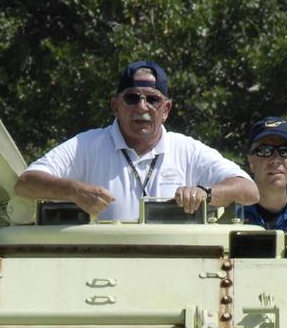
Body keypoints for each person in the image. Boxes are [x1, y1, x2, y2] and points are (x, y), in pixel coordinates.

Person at [14, 61, 258, 222]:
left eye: (152, 99)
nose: (142, 107)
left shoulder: (187, 149)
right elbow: (25, 184)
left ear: (166, 109)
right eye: (132, 98)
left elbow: (249, 191)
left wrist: (204, 193)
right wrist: (75, 191)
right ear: (115, 106)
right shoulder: (87, 145)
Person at [239, 116, 287, 230]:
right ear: (251, 161)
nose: (276, 159)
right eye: (265, 150)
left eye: (286, 150)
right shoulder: (230, 214)